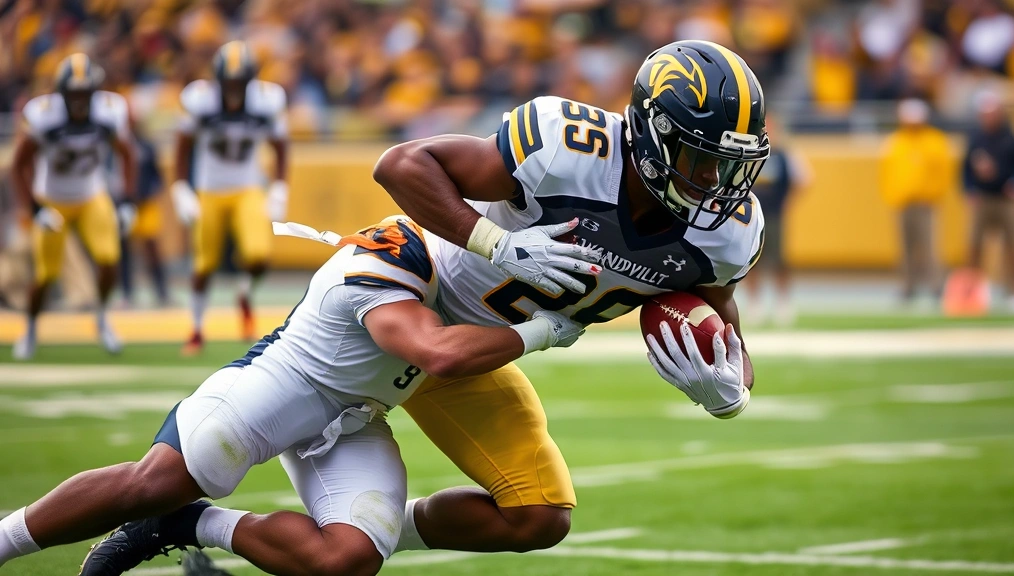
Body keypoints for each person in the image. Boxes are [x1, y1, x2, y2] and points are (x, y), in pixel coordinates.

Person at [0, 40, 767, 576]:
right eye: (704, 159)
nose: (717, 185)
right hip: (414, 293)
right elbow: (403, 164)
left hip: (480, 351)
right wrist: (495, 242)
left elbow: (723, 327)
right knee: (165, 475)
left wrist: (728, 395)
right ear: (649, 135)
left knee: (539, 517)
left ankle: (300, 534)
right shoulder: (569, 149)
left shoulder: (726, 236)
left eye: (732, 165)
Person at [10, 53, 137, 360]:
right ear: (62, 93)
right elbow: (19, 166)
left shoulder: (109, 111)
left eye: (85, 94)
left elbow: (128, 155)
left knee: (109, 259)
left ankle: (103, 317)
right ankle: (30, 327)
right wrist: (35, 208)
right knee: (45, 275)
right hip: (52, 199)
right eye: (74, 94)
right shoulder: (44, 115)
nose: (79, 101)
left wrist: (127, 201)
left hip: (92, 195)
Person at [171, 40, 290, 354]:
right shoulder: (200, 99)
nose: (234, 88)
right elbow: (182, 146)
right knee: (203, 265)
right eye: (229, 82)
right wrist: (181, 188)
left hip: (247, 188)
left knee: (259, 255)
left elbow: (280, 146)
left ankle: (244, 291)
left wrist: (279, 187)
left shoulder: (267, 100)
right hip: (209, 190)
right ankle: (196, 329)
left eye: (240, 82)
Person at [879, 98, 952, 305]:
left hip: (925, 202)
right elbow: (886, 173)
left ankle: (937, 286)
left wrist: (934, 195)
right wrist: (891, 196)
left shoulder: (934, 141)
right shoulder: (895, 141)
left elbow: (943, 173)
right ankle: (907, 287)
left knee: (930, 247)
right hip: (902, 202)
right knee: (905, 249)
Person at [743, 114, 811, 326]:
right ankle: (754, 304)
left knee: (779, 260)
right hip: (751, 217)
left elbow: (804, 179)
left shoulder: (785, 155)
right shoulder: (749, 153)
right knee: (750, 262)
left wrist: (788, 202)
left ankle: (783, 303)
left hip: (773, 215)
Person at [962, 91, 1014, 313]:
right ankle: (973, 291)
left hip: (1008, 198)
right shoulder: (976, 138)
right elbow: (966, 168)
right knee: (973, 245)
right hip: (983, 196)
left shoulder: (1012, 139)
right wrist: (969, 189)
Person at [110, 117, 170, 307]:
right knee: (123, 251)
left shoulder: (145, 146)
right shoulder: (111, 148)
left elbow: (156, 176)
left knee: (152, 248)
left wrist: (147, 194)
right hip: (122, 204)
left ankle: (162, 292)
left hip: (145, 205)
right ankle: (127, 294)